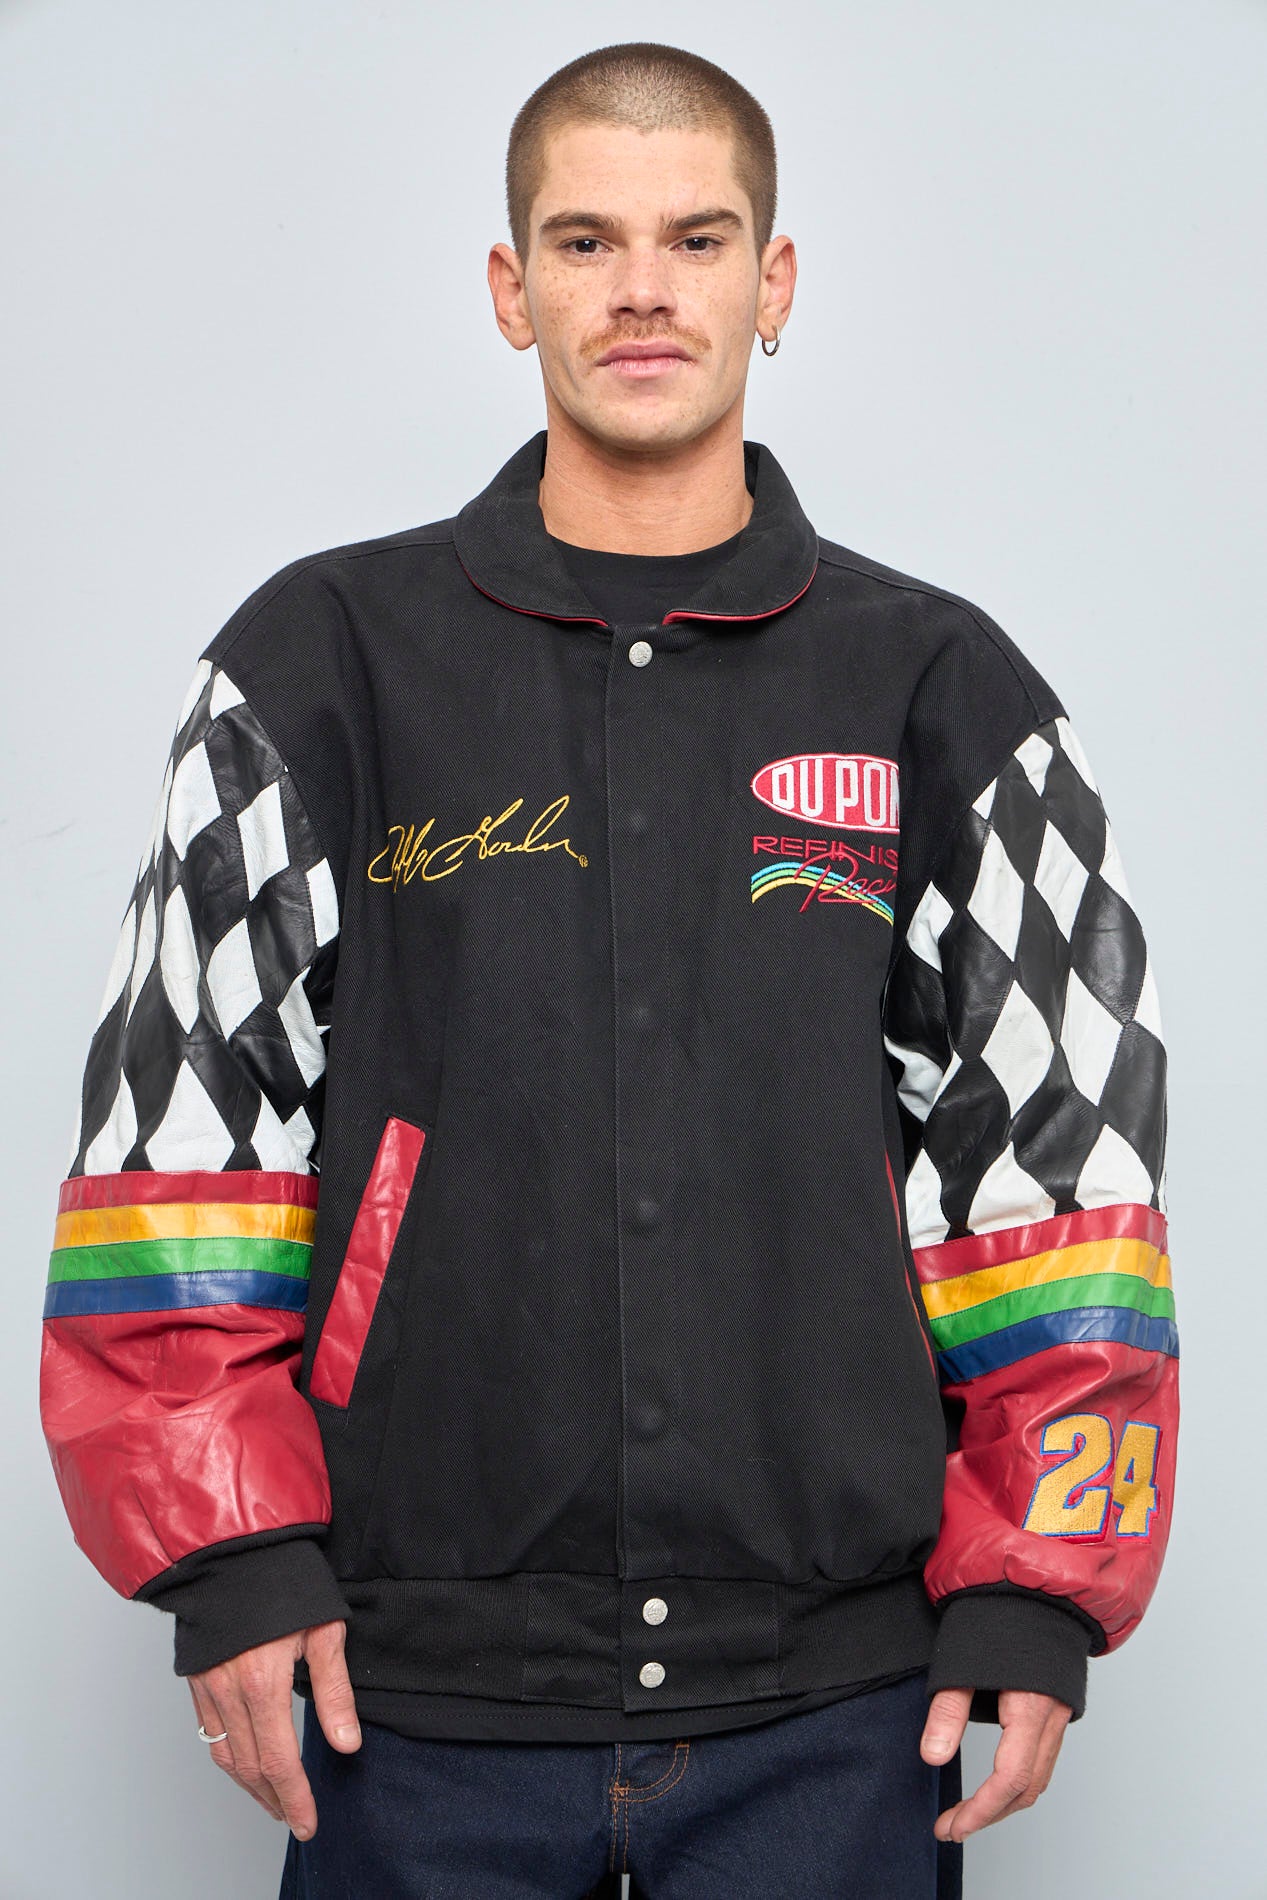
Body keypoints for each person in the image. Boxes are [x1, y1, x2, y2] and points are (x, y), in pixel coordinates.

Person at [39, 40, 1178, 1900]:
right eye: (586, 241)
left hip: (838, 1711)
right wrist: (230, 1556)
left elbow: (1058, 1172)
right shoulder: (319, 663)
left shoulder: (942, 689)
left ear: (773, 282)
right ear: (513, 289)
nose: (644, 288)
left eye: (696, 239)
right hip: (407, 1700)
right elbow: (181, 1136)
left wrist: (1035, 1592)